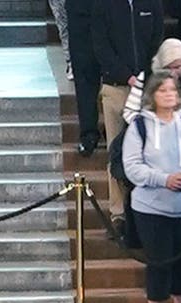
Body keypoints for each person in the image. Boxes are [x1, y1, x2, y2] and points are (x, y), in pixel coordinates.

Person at [121, 73, 181, 303]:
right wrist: (162, 179)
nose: (169, 94)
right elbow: (132, 166)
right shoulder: (140, 126)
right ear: (152, 95)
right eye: (162, 90)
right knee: (158, 261)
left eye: (172, 89)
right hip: (151, 208)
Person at [91, 0, 163, 218]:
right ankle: (118, 212)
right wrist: (127, 76)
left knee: (148, 151)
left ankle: (145, 209)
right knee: (116, 152)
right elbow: (101, 46)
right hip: (115, 87)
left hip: (146, 90)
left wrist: (144, 78)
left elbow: (156, 41)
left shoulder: (152, 3)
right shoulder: (102, 5)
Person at [121, 38, 181, 124]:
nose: (172, 72)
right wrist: (145, 128)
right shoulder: (144, 78)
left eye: (177, 67)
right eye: (167, 67)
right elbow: (130, 112)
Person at [66, 0, 101, 156]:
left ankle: (119, 128)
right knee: (85, 75)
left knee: (117, 74)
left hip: (115, 12)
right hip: (81, 15)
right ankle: (89, 134)